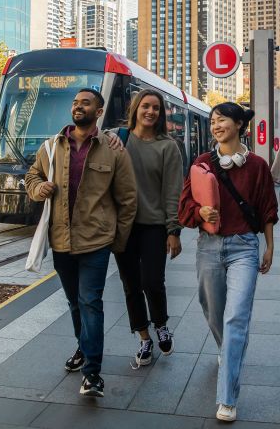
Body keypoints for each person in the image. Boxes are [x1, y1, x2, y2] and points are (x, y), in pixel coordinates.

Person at [25, 89, 137, 398]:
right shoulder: (51, 146)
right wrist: (39, 188)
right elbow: (30, 178)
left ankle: (92, 372)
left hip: (96, 242)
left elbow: (128, 200)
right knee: (75, 303)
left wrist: (117, 240)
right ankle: (84, 347)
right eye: (75, 102)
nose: (78, 106)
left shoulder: (113, 149)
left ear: (98, 111)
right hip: (61, 241)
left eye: (85, 103)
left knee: (90, 303)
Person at [178, 102, 278, 422]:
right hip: (208, 247)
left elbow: (267, 209)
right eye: (213, 121)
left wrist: (269, 247)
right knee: (213, 311)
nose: (216, 125)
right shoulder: (202, 163)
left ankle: (227, 397)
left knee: (237, 318)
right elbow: (184, 209)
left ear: (238, 125)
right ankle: (227, 351)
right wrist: (200, 212)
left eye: (222, 120)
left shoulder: (258, 166)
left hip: (244, 249)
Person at [113, 89, 184, 367]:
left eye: (156, 108)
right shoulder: (118, 139)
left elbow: (172, 192)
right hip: (124, 227)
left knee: (152, 282)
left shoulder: (168, 147)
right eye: (146, 106)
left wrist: (173, 230)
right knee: (131, 285)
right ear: (136, 108)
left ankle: (161, 325)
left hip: (154, 226)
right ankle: (144, 338)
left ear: (161, 113)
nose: (150, 112)